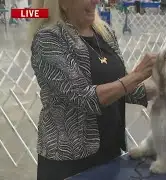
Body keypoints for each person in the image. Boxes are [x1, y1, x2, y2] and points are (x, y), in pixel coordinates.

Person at [29, 0, 157, 179]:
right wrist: (137, 75)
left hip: (110, 151)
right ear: (64, 3)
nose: (96, 1)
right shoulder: (49, 38)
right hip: (70, 161)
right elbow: (83, 97)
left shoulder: (104, 33)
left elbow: (123, 89)